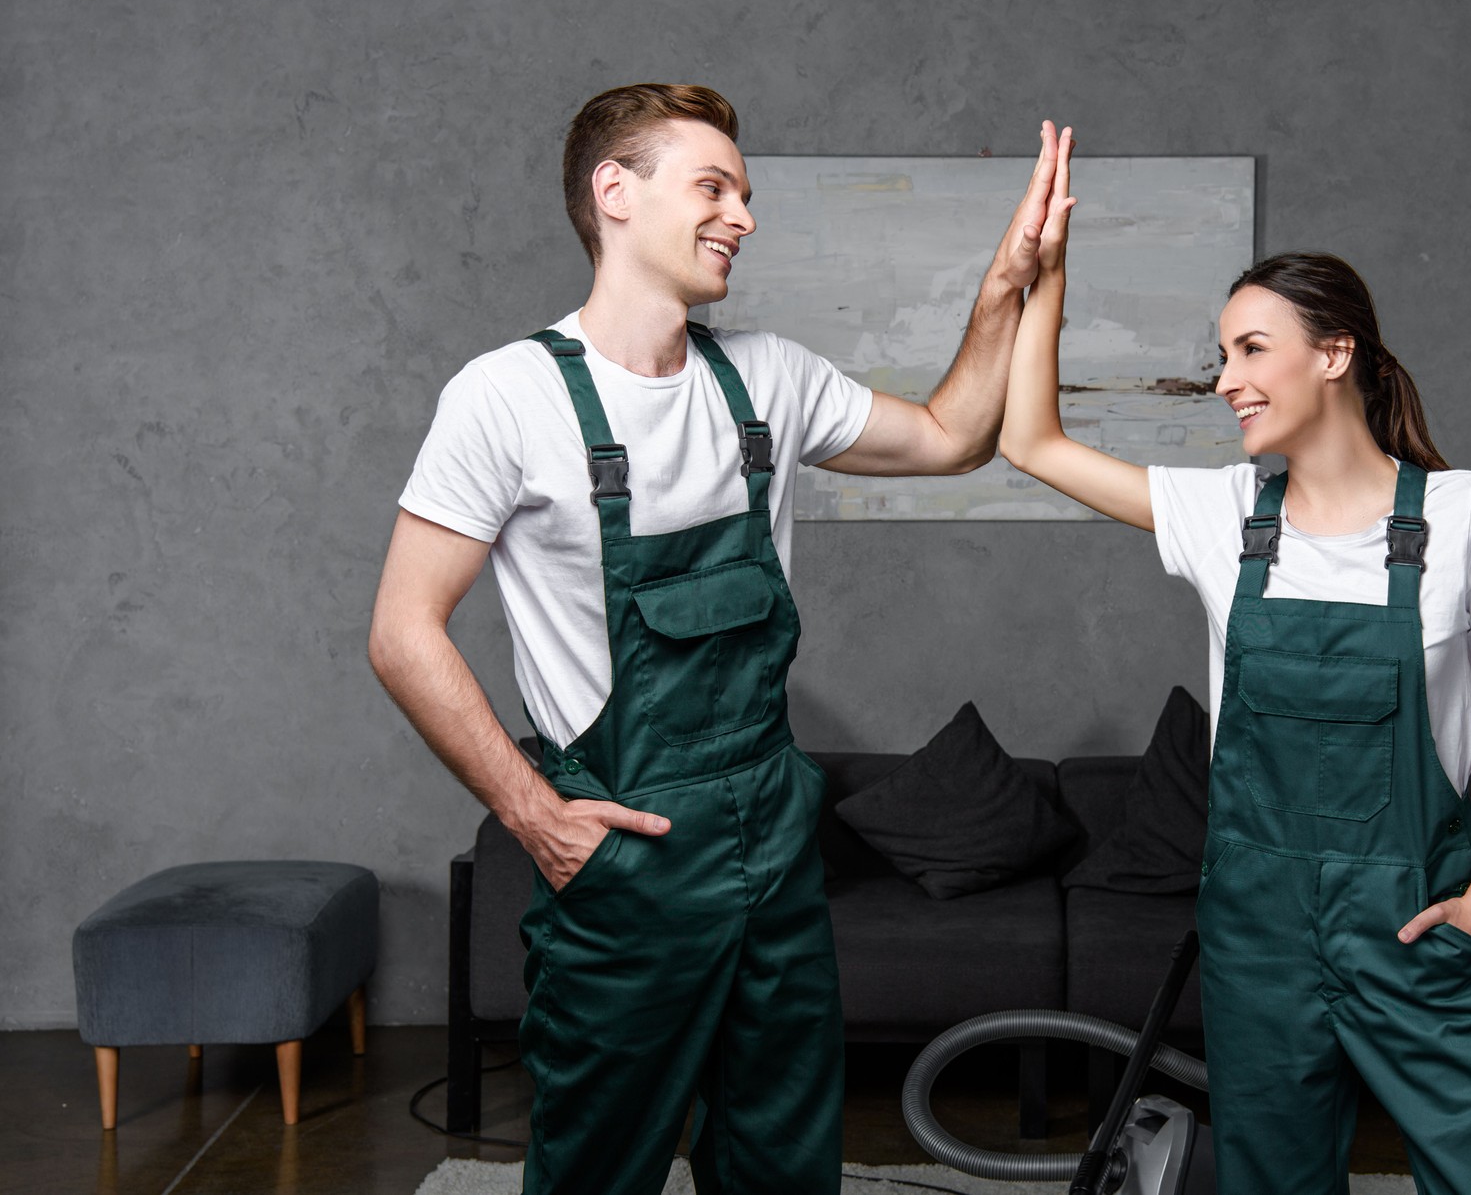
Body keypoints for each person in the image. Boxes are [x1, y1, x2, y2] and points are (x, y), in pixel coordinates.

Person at [367, 83, 1064, 1194]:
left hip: (776, 846)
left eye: (744, 193)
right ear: (615, 193)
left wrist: (1003, 287)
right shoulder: (505, 399)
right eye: (714, 186)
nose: (742, 214)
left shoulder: (768, 379)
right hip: (630, 853)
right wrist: (536, 816)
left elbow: (950, 437)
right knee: (601, 1166)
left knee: (785, 1156)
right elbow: (404, 632)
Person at [998, 142, 1471, 1194]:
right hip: (1261, 933)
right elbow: (1030, 441)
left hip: (1414, 921)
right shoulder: (1220, 516)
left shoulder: (1460, 510)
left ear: (1334, 353)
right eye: (1222, 355)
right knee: (1273, 1179)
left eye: (1252, 350)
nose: (1226, 380)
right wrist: (1050, 271)